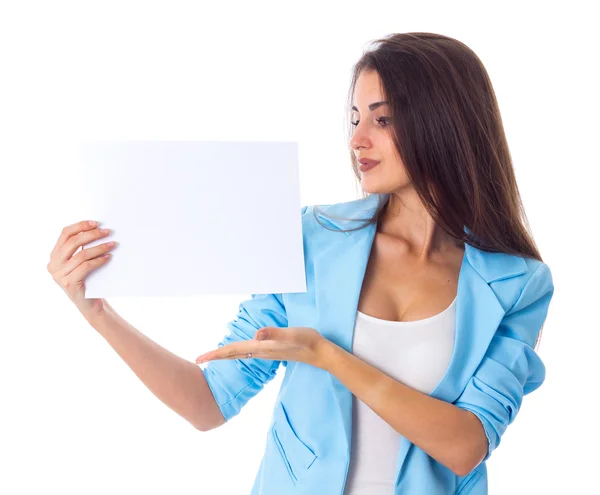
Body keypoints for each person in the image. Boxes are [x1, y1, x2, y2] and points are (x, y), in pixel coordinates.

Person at [47, 32, 554, 495]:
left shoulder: (516, 283)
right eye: (355, 120)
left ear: (443, 121)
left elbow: (466, 446)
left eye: (382, 120)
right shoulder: (311, 239)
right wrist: (98, 313)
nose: (357, 140)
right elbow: (207, 403)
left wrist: (329, 356)